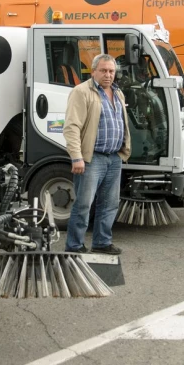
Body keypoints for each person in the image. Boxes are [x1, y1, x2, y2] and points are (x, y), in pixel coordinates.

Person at [63, 53, 131, 255]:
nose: (108, 75)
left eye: (111, 71)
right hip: (91, 158)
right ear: (93, 71)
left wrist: (123, 151)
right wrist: (77, 156)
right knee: (84, 205)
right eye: (103, 70)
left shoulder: (118, 93)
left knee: (110, 204)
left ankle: (102, 242)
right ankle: (74, 246)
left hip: (114, 157)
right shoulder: (81, 92)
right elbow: (71, 127)